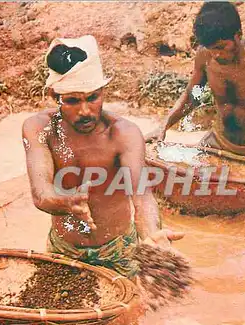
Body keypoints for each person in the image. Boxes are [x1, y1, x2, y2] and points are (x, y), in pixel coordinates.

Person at [22, 35, 183, 279]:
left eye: (92, 97)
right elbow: (40, 193)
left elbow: (142, 195)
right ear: (55, 97)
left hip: (118, 250)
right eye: (73, 100)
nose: (85, 111)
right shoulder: (39, 129)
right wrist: (64, 203)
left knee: (132, 314)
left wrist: (151, 234)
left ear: (103, 92)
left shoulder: (124, 134)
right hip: (64, 249)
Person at [145, 2, 245, 185]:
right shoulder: (205, 56)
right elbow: (194, 95)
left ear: (238, 35)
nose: (216, 54)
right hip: (216, 142)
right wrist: (164, 125)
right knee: (188, 187)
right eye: (211, 48)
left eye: (221, 47)